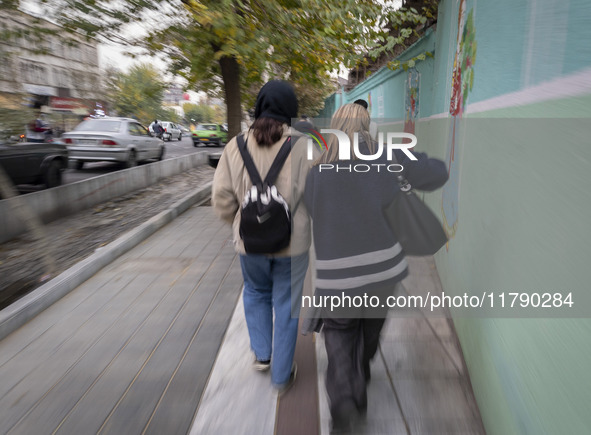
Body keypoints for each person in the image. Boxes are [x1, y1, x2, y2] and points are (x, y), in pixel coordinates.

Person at [303, 103, 448, 432]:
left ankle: (344, 402)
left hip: (336, 275)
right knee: (370, 327)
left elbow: (314, 211)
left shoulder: (316, 170)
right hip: (383, 272)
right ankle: (362, 370)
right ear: (368, 127)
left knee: (340, 334)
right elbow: (437, 173)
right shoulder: (388, 156)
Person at [212, 80, 311, 393]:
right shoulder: (307, 147)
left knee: (255, 292)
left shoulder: (235, 146)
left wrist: (241, 223)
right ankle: (282, 376)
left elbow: (221, 199)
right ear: (291, 110)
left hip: (250, 245)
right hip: (293, 245)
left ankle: (263, 355)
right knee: (286, 303)